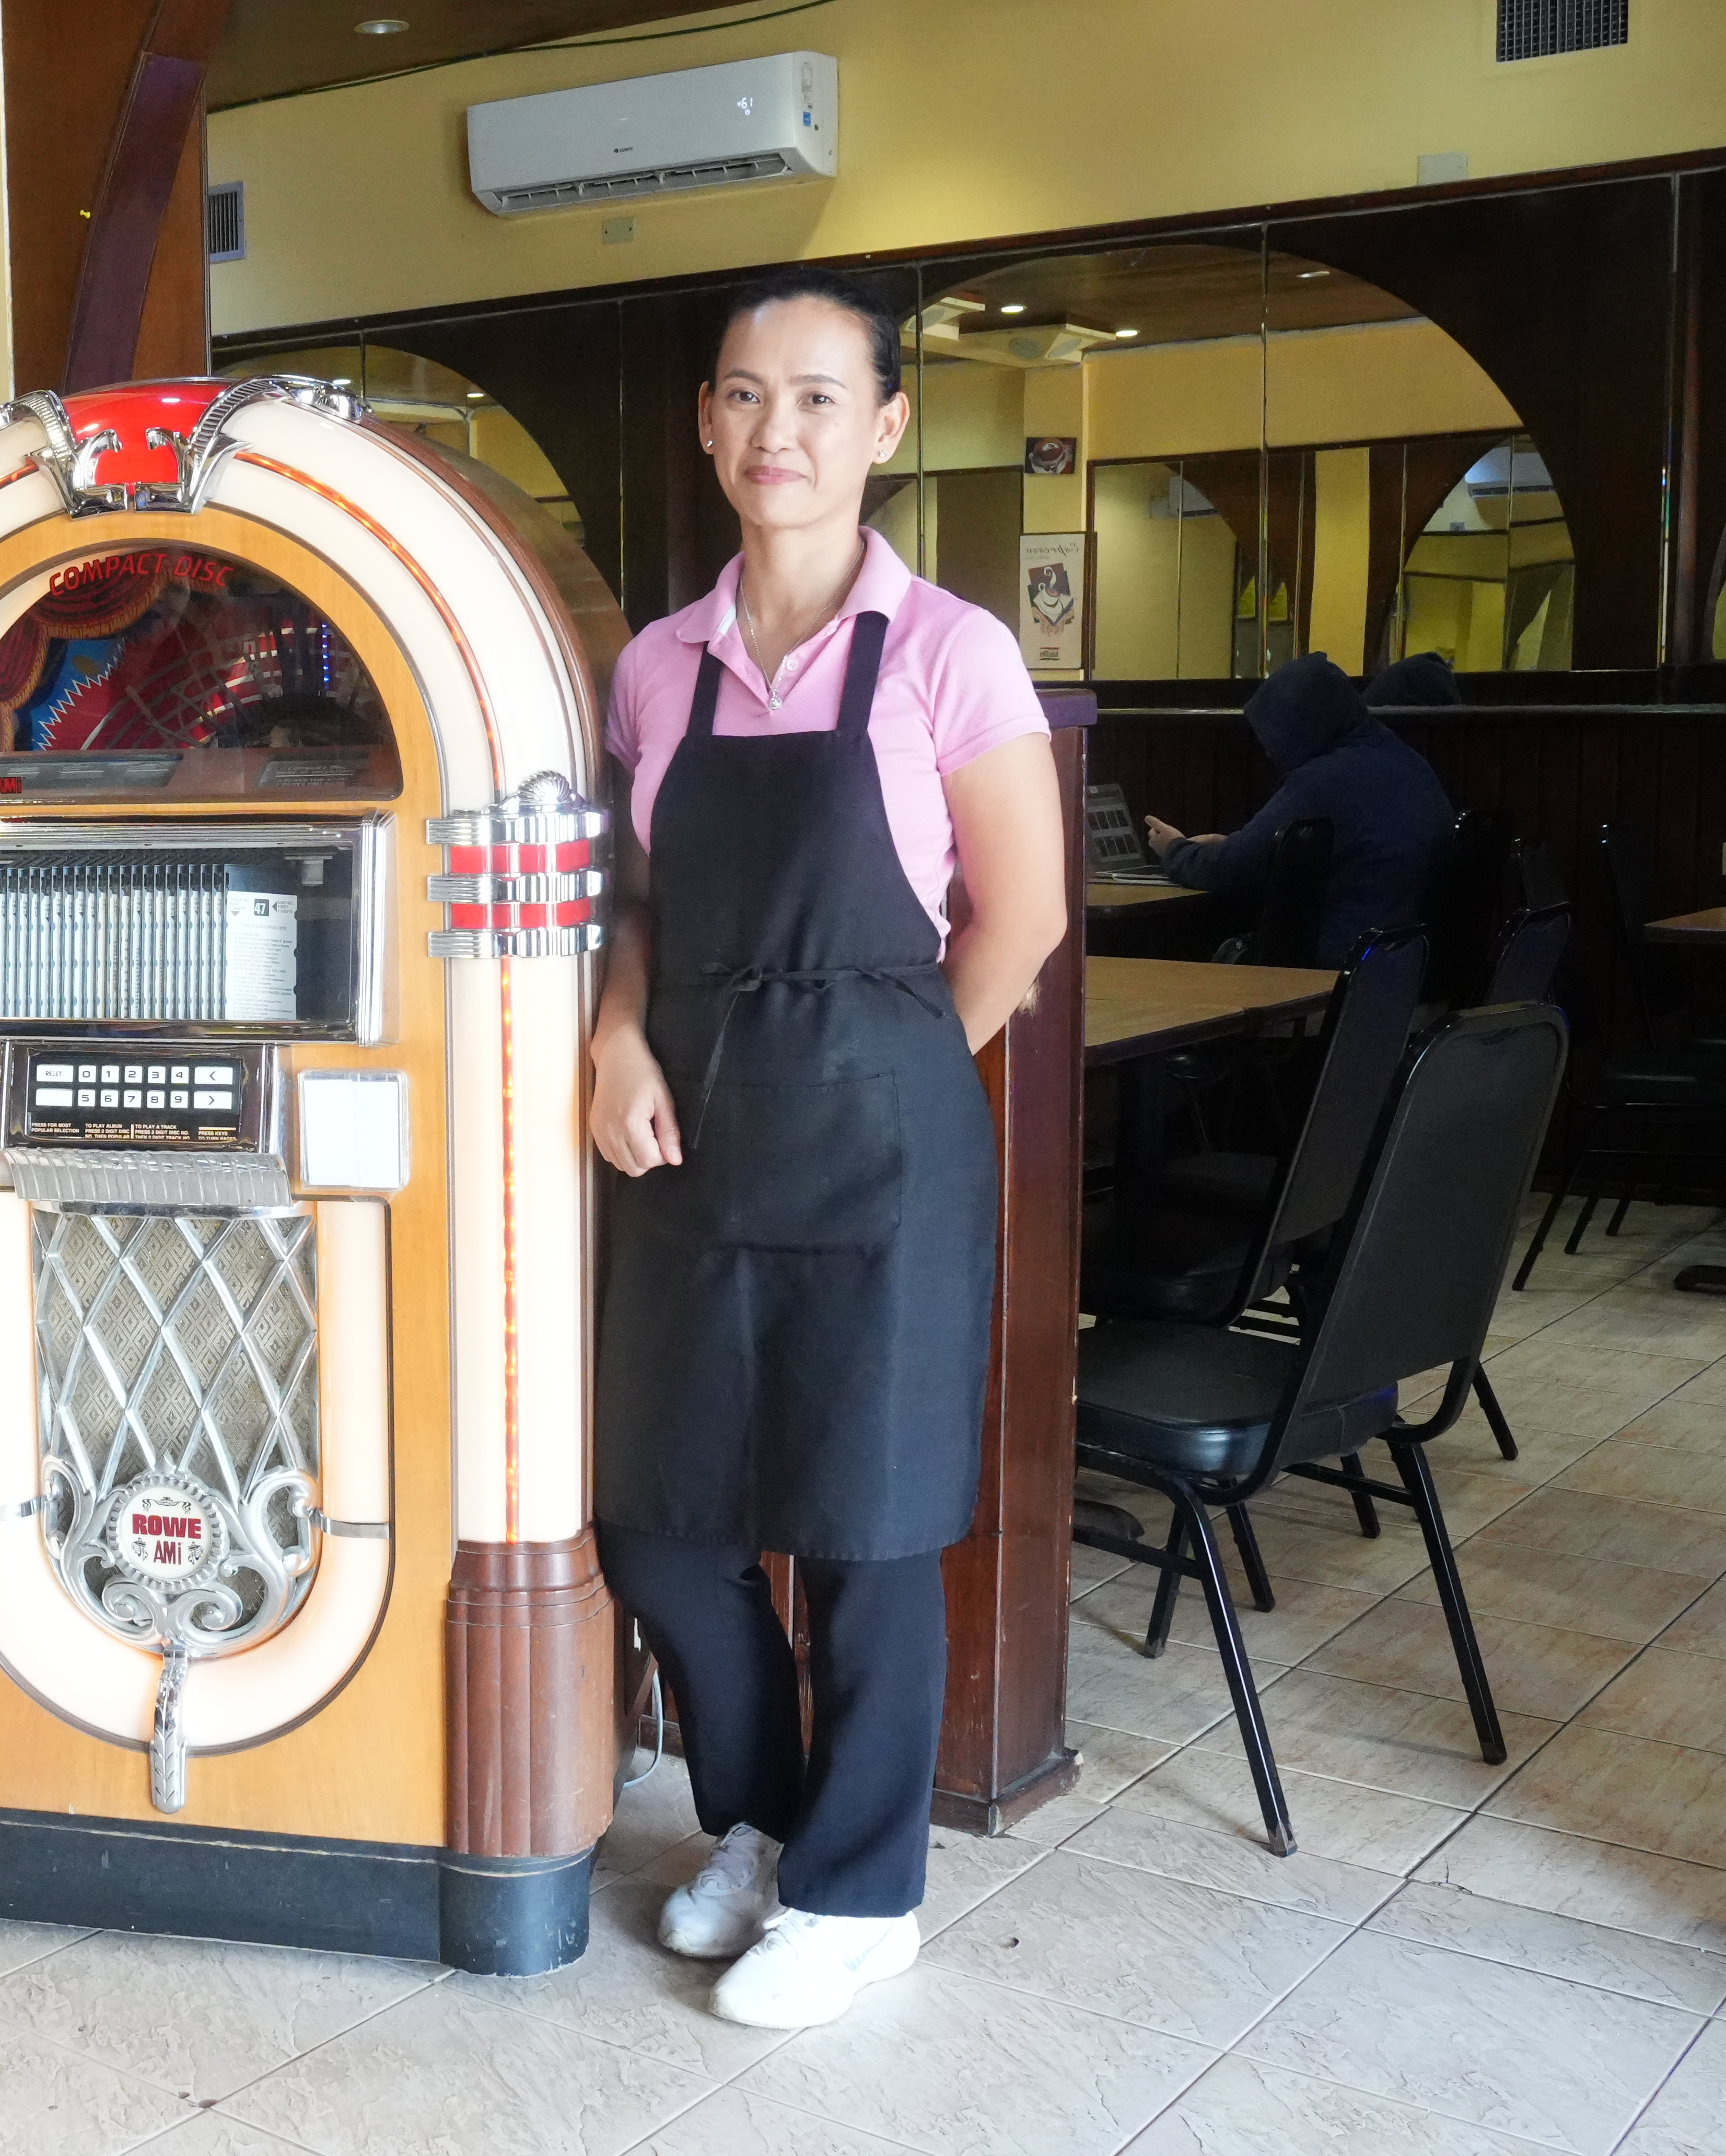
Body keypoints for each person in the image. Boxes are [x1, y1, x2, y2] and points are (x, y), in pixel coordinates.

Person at [589, 267, 1067, 2031]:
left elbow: (1017, 922)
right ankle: (767, 1821)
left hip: (875, 1136)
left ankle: (862, 1893)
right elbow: (634, 897)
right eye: (738, 394)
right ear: (706, 421)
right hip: (687, 1134)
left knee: (864, 1528)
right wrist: (618, 1025)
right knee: (659, 1519)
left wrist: (869, 1073)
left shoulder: (950, 649)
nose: (768, 429)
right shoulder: (656, 665)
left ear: (882, 426)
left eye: (810, 398)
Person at [1140, 652, 1454, 965]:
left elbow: (1229, 869)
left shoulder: (1322, 781)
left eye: (1270, 737)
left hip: (1337, 976)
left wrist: (1174, 849)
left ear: (1294, 726)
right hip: (1407, 971)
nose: (1268, 752)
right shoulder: (1408, 763)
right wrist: (1231, 843)